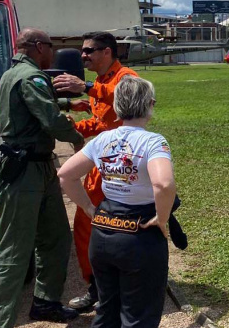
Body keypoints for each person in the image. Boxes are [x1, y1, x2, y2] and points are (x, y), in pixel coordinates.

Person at [0, 28, 85, 327]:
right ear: (39, 47)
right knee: (14, 252)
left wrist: (68, 103)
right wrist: (77, 140)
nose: (52, 52)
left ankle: (45, 303)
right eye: (50, 47)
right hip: (24, 171)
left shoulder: (15, 73)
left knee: (55, 238)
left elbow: (33, 106)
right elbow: (50, 119)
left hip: (40, 168)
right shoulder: (31, 77)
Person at [58, 76, 176, 328]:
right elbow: (163, 184)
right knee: (138, 316)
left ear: (117, 106)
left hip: (102, 233)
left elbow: (66, 175)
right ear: (151, 104)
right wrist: (162, 219)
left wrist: (89, 209)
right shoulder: (153, 141)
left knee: (107, 310)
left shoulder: (103, 139)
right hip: (139, 235)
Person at [52, 31, 137, 312]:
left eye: (89, 50)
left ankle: (116, 289)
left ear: (107, 52)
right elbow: (100, 122)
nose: (84, 56)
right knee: (87, 227)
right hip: (98, 164)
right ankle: (97, 287)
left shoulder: (125, 76)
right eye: (83, 51)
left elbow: (128, 96)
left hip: (119, 167)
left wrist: (85, 86)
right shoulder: (100, 82)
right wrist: (72, 127)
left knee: (115, 228)